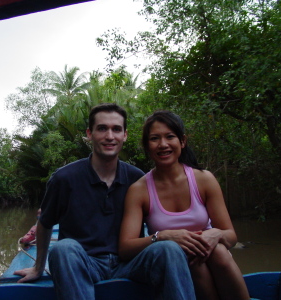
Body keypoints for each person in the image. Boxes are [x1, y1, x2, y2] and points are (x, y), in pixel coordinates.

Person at [14, 103, 196, 300]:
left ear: (125, 135)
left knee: (168, 248)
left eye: (116, 129)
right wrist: (38, 267)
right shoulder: (64, 179)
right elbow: (46, 222)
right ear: (89, 134)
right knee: (63, 248)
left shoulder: (138, 178)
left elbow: (159, 222)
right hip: (85, 262)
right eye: (102, 128)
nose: (110, 136)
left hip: (129, 262)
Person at [119, 110, 250, 300]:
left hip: (215, 259)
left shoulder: (204, 179)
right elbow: (125, 248)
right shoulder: (139, 190)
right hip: (177, 267)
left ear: (182, 141)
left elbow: (231, 236)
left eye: (170, 137)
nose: (163, 144)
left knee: (219, 250)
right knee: (192, 260)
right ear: (147, 146)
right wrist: (163, 236)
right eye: (155, 138)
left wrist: (216, 234)